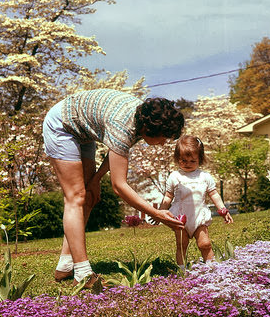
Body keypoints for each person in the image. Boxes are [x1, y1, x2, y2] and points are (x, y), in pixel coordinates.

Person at [42, 88, 185, 288]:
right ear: (150, 129)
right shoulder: (123, 126)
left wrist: (96, 179)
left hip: (84, 132)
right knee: (76, 196)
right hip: (62, 125)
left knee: (89, 195)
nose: (163, 143)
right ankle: (82, 273)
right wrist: (156, 213)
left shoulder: (141, 120)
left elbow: (117, 151)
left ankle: (65, 265)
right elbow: (119, 186)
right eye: (163, 137)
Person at [159, 135, 233, 269]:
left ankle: (212, 269)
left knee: (205, 244)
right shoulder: (174, 177)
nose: (188, 163)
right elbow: (168, 197)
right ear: (177, 158)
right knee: (182, 245)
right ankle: (182, 271)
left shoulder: (204, 177)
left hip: (199, 217)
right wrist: (160, 213)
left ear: (200, 159)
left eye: (192, 161)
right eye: (183, 160)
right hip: (180, 218)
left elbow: (214, 194)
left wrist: (223, 210)